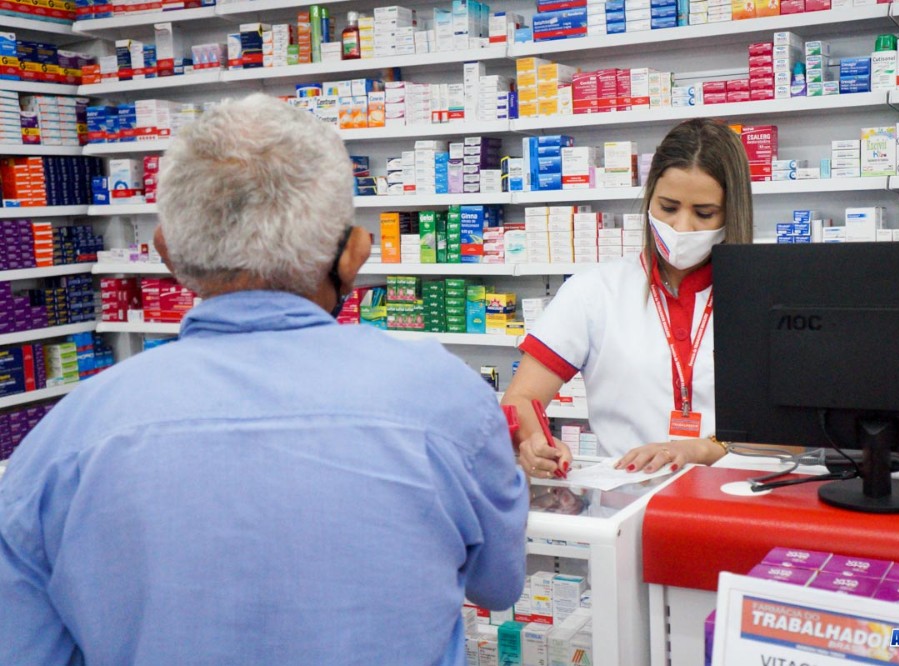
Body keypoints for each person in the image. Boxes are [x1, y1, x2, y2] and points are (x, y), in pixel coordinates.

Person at [0, 93, 528, 665]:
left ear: (166, 254)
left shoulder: (66, 440)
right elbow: (498, 585)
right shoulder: (447, 400)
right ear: (354, 254)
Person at [502, 118, 754, 480]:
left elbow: (793, 436)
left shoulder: (761, 294)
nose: (682, 228)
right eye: (668, 207)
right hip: (625, 498)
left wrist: (699, 449)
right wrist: (533, 441)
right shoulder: (595, 291)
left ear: (733, 211)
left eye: (704, 213)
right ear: (649, 198)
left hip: (736, 496)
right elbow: (520, 399)